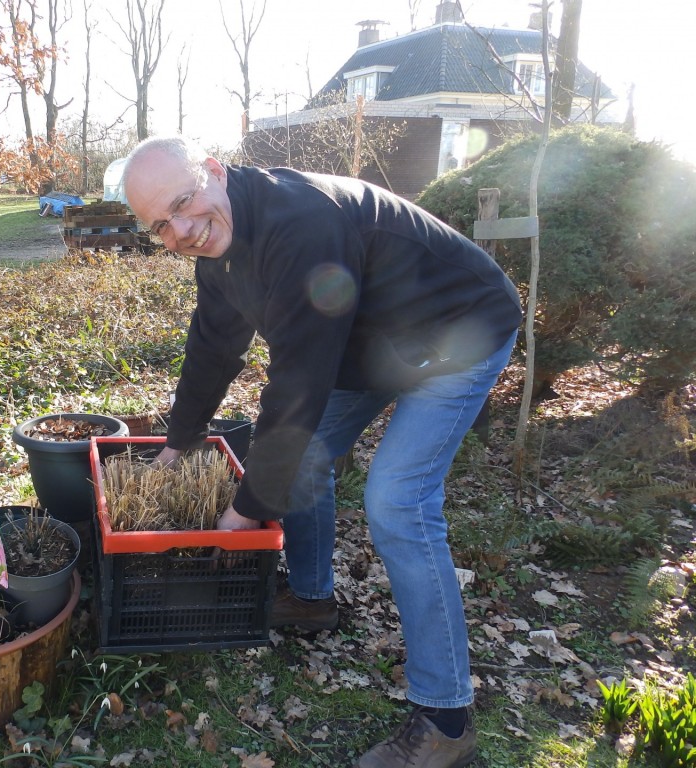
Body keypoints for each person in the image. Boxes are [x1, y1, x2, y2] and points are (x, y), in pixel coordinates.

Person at [122, 135, 521, 768]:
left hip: (458, 330)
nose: (182, 230)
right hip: (370, 345)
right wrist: (178, 442)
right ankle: (310, 600)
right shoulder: (219, 250)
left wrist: (244, 513)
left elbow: (298, 384)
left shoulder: (301, 222)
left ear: (215, 171)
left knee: (397, 501)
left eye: (183, 203)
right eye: (160, 226)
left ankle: (446, 721)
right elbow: (213, 348)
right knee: (302, 459)